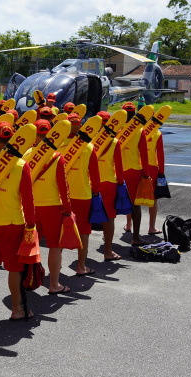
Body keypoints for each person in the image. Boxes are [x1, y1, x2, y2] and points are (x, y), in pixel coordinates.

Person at [0, 122, 36, 320]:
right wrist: (31, 224)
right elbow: (28, 200)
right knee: (14, 268)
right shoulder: (20, 164)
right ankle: (17, 309)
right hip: (12, 224)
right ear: (12, 138)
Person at [25, 120, 72, 294]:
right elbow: (63, 187)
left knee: (30, 246)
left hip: (31, 207)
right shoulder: (56, 156)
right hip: (53, 207)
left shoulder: (26, 155)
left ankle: (29, 280)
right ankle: (54, 285)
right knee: (54, 246)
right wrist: (68, 209)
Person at [64, 113, 100, 276]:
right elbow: (95, 176)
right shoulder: (88, 146)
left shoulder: (57, 145)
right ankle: (81, 266)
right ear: (80, 125)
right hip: (83, 195)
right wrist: (96, 192)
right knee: (84, 232)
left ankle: (56, 269)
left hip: (62, 195)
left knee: (60, 232)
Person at [119, 103, 151, 246]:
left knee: (112, 207)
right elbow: (144, 155)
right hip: (134, 172)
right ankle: (135, 237)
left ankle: (108, 241)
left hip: (117, 171)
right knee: (135, 206)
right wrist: (145, 174)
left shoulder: (116, 130)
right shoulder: (139, 130)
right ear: (135, 114)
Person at [95, 111, 122, 261]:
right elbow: (119, 168)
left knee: (85, 220)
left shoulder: (91, 141)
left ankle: (82, 257)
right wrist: (121, 184)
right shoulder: (114, 142)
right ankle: (108, 251)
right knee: (109, 218)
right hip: (109, 184)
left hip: (93, 184)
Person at [145, 118, 166, 235]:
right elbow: (160, 154)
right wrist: (161, 172)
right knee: (153, 199)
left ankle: (128, 225)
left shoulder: (138, 131)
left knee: (133, 199)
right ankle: (151, 227)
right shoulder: (157, 133)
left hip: (139, 167)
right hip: (152, 168)